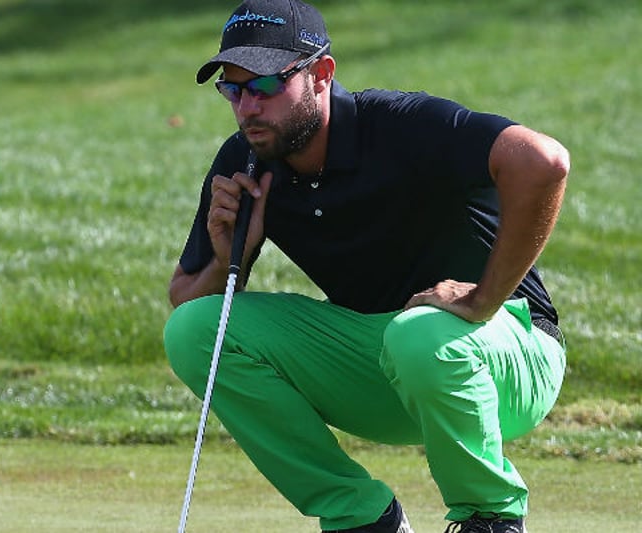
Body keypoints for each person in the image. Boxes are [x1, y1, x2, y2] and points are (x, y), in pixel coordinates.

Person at [163, 1, 569, 532]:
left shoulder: (401, 124)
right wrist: (228, 259)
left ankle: (489, 517)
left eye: (264, 86)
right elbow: (187, 301)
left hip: (510, 355)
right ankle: (360, 517)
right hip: (386, 366)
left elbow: (543, 162)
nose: (247, 109)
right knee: (195, 330)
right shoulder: (245, 161)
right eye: (232, 90)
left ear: (322, 74)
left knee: (419, 335)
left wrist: (482, 298)